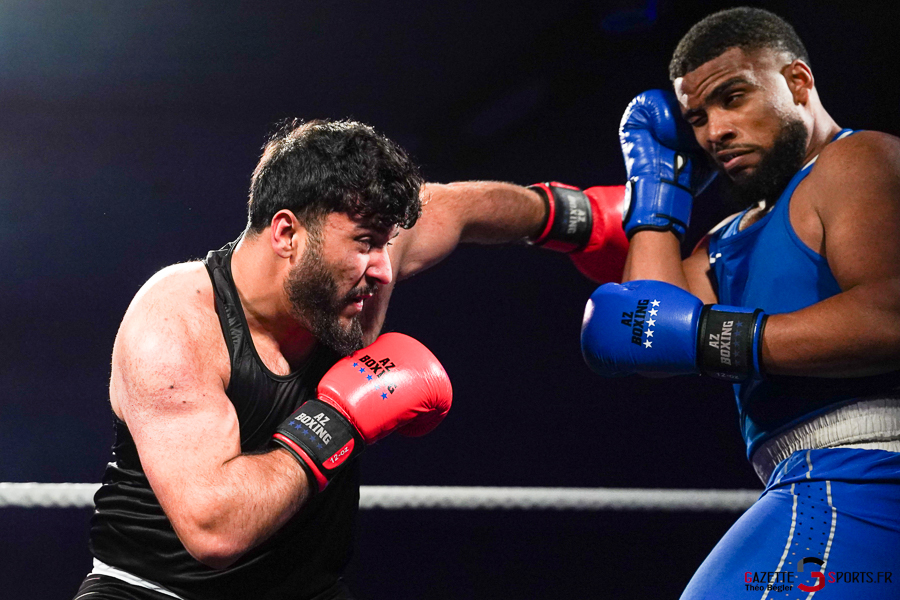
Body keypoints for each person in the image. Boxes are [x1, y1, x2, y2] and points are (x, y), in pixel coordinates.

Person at [73, 118, 628, 600]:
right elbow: (215, 530)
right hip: (154, 592)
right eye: (365, 242)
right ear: (288, 233)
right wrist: (338, 420)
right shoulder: (178, 322)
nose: (386, 268)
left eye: (386, 242)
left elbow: (462, 208)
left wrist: (573, 219)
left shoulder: (361, 268)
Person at [580, 7, 900, 599]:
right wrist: (657, 192)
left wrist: (715, 338)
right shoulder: (726, 239)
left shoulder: (858, 161)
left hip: (870, 470)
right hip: (804, 478)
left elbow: (889, 315)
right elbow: (642, 334)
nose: (713, 131)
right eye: (696, 118)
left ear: (798, 83)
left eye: (733, 98)